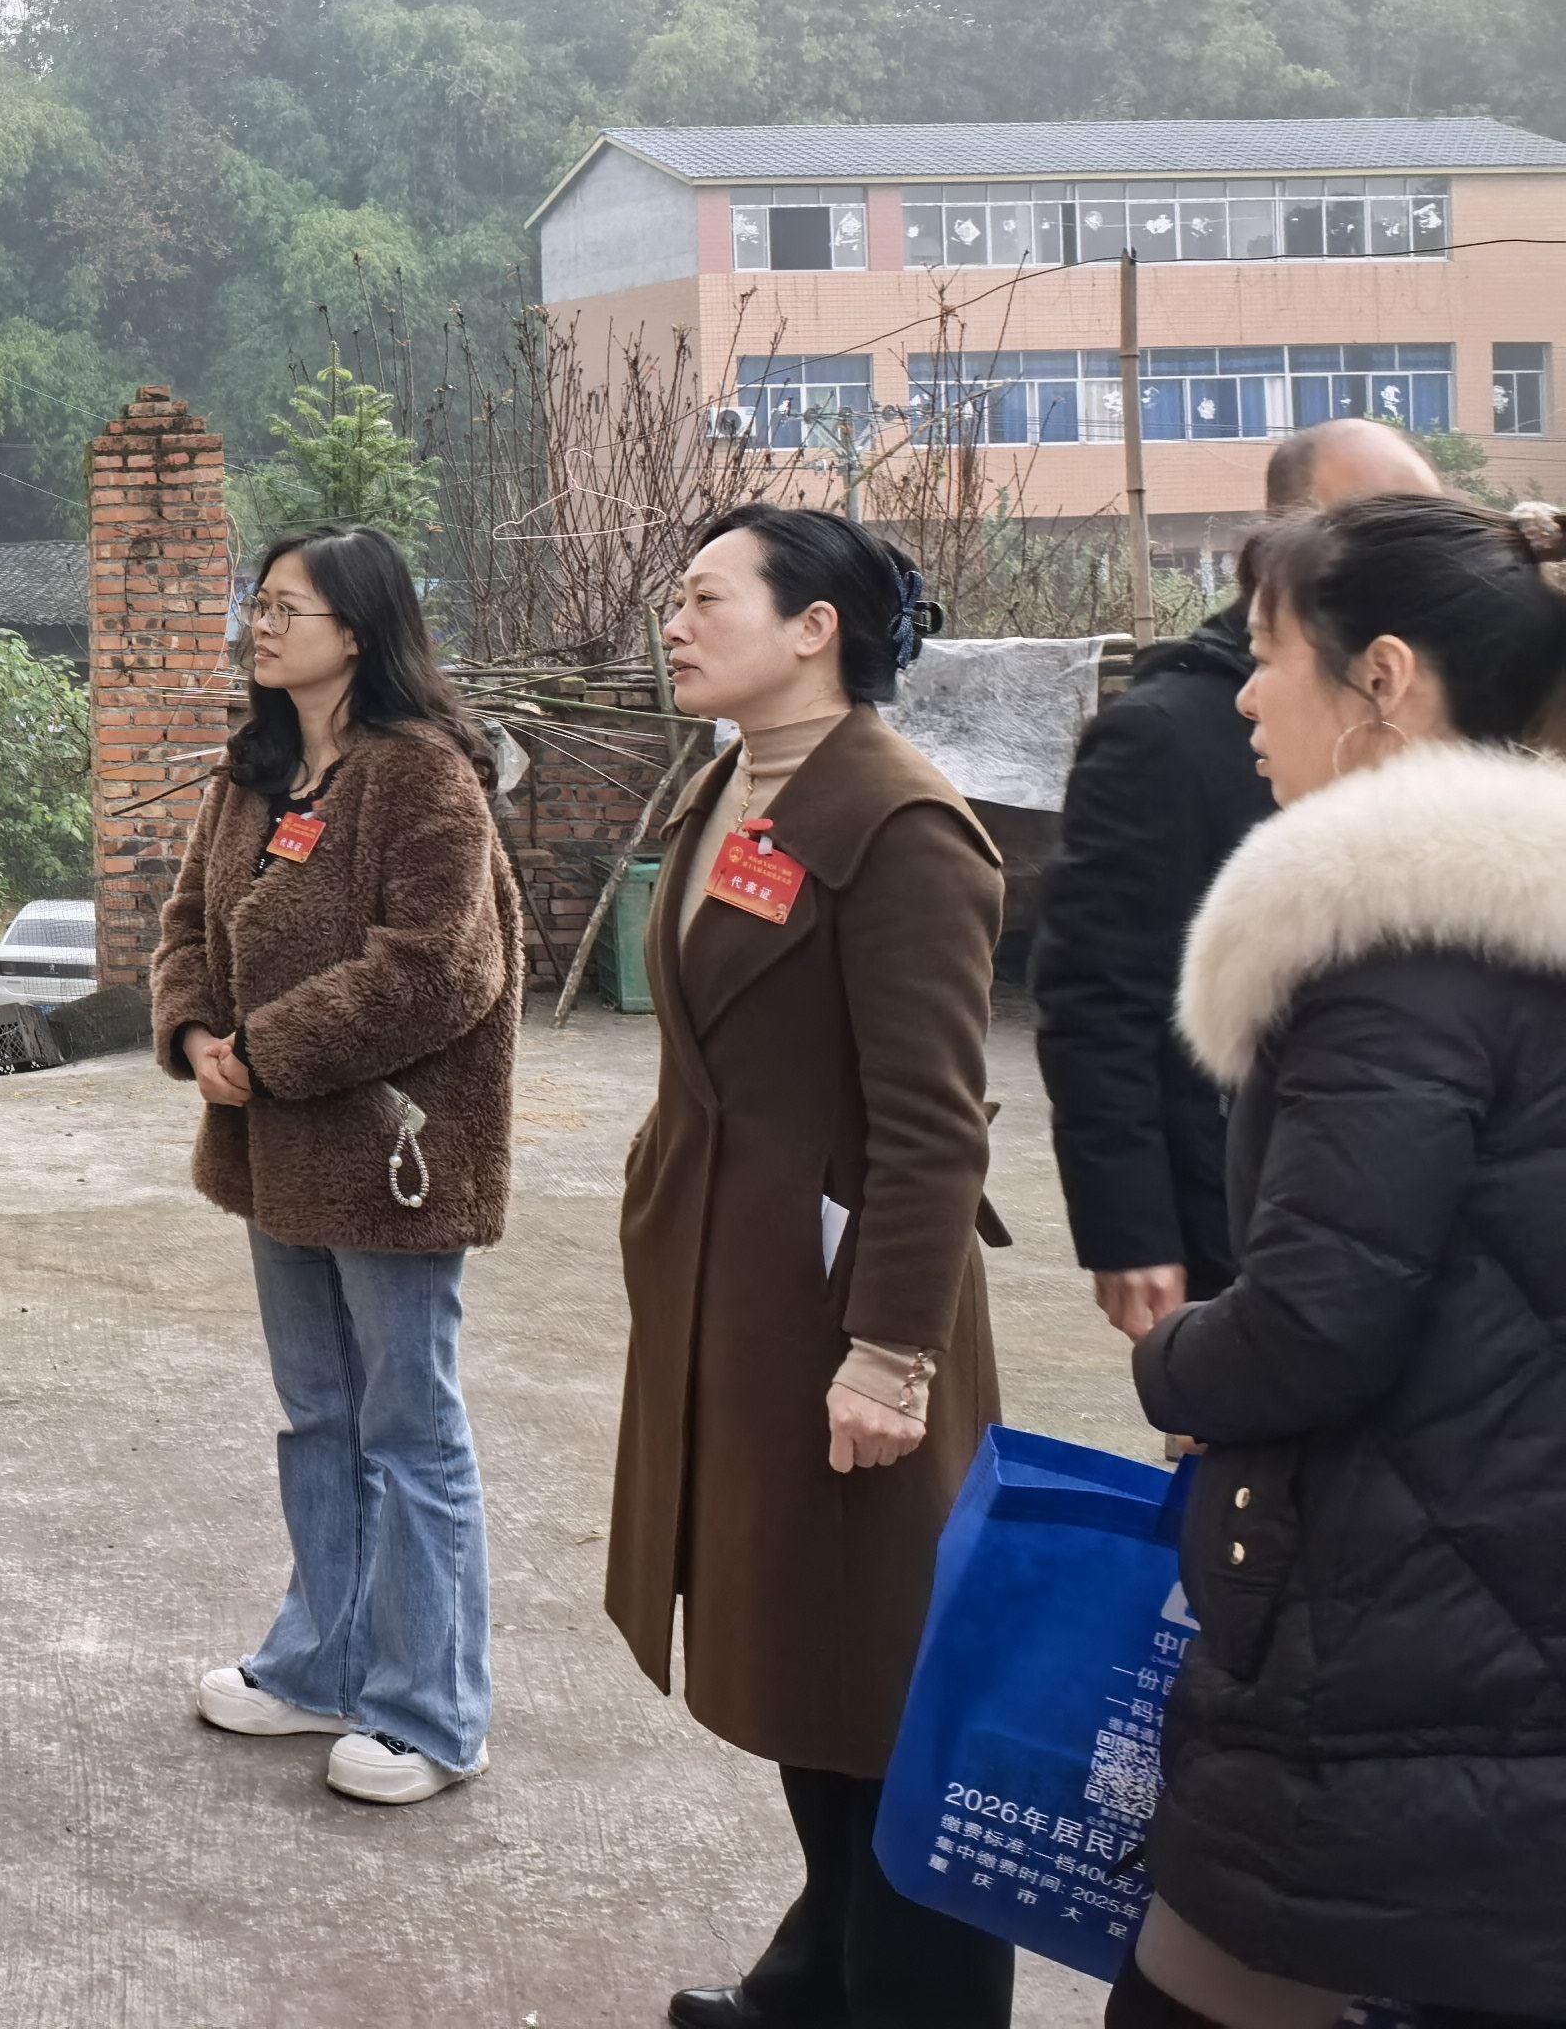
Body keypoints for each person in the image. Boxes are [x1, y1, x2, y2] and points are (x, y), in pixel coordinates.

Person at [1103, 494, 1566, 2029]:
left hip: (1407, 1636)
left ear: (1383, 678)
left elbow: (1316, 1320)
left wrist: (1175, 1362)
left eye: (1265, 653)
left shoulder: (1397, 957)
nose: (1243, 697)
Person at [611, 505, 1015, 2029]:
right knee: (803, 1659)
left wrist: (891, 1353)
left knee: (887, 1687)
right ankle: (817, 1978)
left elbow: (936, 1127)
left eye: (705, 597)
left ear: (814, 629)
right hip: (743, 1301)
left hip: (852, 1321)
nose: (673, 623)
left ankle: (912, 2001)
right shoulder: (734, 786)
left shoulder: (901, 829)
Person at [153, 525, 525, 1806]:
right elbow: (186, 922)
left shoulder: (420, 774)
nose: (259, 627)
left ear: (357, 633)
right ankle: (322, 1664)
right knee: (319, 1415)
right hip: (275, 1145)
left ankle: (433, 1712)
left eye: (287, 609)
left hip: (390, 1150)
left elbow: (439, 966)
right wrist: (194, 1032)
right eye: (256, 604)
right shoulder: (255, 770)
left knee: (408, 1429)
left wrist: (267, 1049)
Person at [1032, 419, 1437, 1341]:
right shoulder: (1169, 730)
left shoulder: (1444, 702)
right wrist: (1130, 1229)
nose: (1423, 549)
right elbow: (1097, 997)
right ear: (1288, 541)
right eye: (1384, 523)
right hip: (1234, 1206)